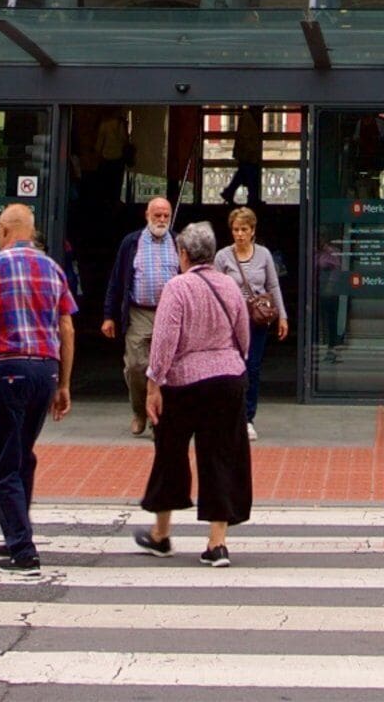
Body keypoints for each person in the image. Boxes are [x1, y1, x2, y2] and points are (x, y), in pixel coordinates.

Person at [0, 202, 76, 569]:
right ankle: (16, 532)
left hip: (7, 368)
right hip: (45, 371)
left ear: (5, 231)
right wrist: (64, 382)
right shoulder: (53, 268)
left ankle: (22, 547)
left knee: (5, 461)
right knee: (24, 454)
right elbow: (66, 327)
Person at [134, 221, 253, 565]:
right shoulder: (229, 285)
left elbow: (165, 340)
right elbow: (243, 334)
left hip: (183, 382)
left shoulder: (178, 287)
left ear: (183, 253)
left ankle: (161, 533)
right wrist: (232, 362)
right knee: (220, 456)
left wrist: (153, 383)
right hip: (228, 379)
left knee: (170, 453)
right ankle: (217, 543)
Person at [99, 193, 182, 437]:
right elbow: (117, 279)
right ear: (147, 215)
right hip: (139, 311)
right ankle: (140, 411)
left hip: (169, 313)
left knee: (167, 367)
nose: (162, 219)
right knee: (136, 365)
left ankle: (160, 417)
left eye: (166, 215)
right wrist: (108, 315)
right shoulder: (131, 243)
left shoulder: (179, 242)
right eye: (157, 215)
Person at [218, 205, 290, 436]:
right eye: (236, 229)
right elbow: (215, 288)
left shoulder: (264, 254)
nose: (239, 234)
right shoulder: (222, 256)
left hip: (256, 319)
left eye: (244, 229)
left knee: (252, 367)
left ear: (252, 230)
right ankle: (229, 413)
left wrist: (282, 316)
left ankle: (248, 417)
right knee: (229, 367)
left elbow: (273, 285)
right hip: (230, 319)